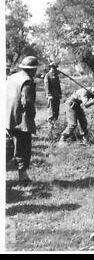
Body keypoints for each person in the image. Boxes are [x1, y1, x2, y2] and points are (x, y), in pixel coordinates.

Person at [6, 56, 39, 184]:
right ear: (33, 69)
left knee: (9, 146)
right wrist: (32, 115)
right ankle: (23, 176)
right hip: (21, 120)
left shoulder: (12, 77)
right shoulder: (27, 81)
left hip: (7, 116)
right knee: (23, 147)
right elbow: (28, 102)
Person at [58, 82, 94, 146]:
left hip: (77, 105)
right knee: (72, 124)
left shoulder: (91, 91)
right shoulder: (84, 92)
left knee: (83, 122)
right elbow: (86, 105)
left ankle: (85, 140)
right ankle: (62, 140)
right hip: (71, 104)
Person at [44, 61, 62, 127]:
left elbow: (58, 85)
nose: (54, 69)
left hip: (56, 94)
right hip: (51, 95)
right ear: (51, 67)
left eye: (55, 67)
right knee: (51, 109)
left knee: (56, 109)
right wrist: (49, 95)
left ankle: (55, 122)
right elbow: (46, 86)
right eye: (53, 67)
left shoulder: (56, 76)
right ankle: (50, 123)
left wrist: (60, 93)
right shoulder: (47, 75)